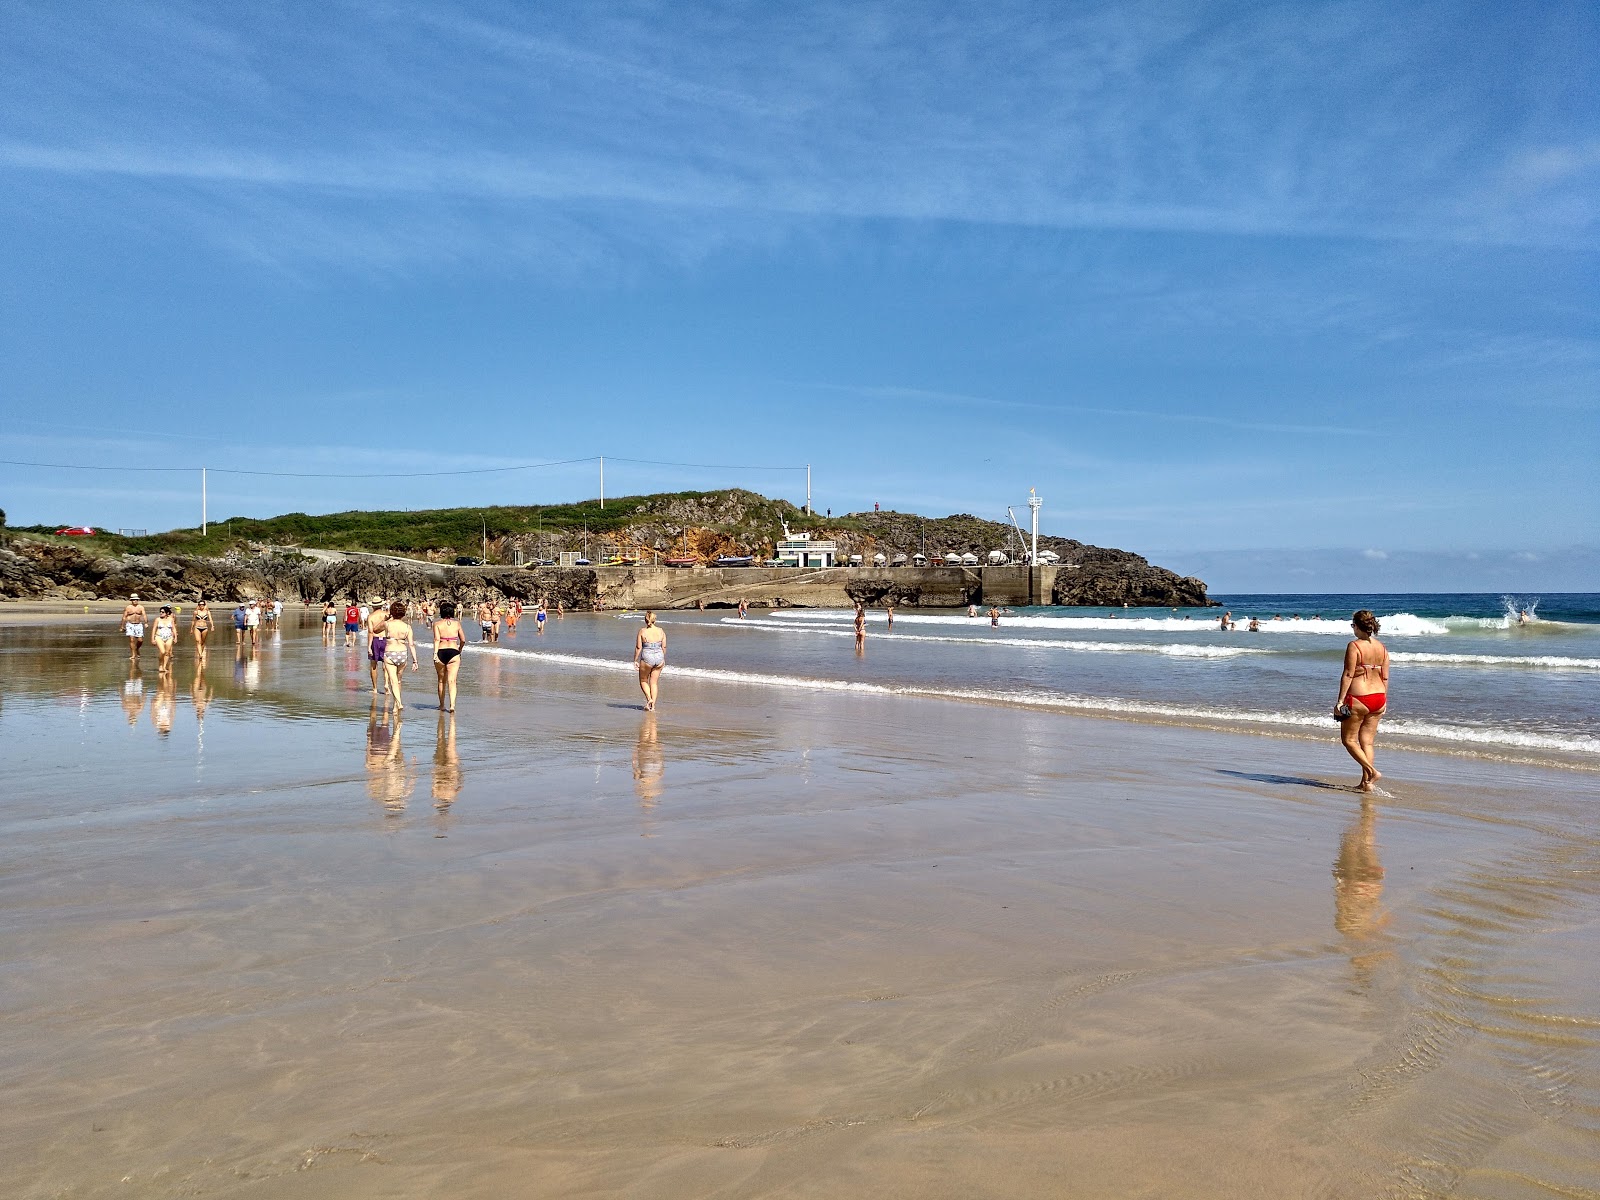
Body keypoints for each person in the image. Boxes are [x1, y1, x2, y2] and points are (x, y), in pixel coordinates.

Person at [1335, 610, 1390, 793]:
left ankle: (1372, 771)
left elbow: (1349, 674)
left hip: (1360, 697)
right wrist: (1384, 701)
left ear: (1358, 626)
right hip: (1379, 698)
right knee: (1367, 742)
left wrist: (1340, 701)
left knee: (1349, 740)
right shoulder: (1382, 647)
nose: (1353, 629)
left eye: (1353, 626)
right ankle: (1366, 784)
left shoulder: (1354, 646)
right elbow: (1385, 677)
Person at [380, 601, 419, 711]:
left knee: (393, 680)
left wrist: (387, 618)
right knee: (398, 681)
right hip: (402, 653)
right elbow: (411, 644)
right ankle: (395, 707)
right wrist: (415, 661)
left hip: (390, 652)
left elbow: (375, 629)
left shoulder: (387, 624)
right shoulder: (407, 627)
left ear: (392, 612)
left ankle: (399, 702)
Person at [432, 600, 466, 712]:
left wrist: (435, 654)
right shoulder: (457, 624)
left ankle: (441, 705)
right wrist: (459, 650)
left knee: (441, 681)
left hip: (441, 651)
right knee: (452, 681)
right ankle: (452, 706)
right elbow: (463, 640)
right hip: (453, 652)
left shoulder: (437, 624)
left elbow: (437, 639)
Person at [634, 610, 666, 712]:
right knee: (654, 682)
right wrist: (661, 657)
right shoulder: (661, 631)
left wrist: (635, 660)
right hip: (659, 656)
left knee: (643, 680)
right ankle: (653, 706)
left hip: (647, 656)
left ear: (645, 620)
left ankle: (649, 699)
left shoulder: (642, 631)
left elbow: (639, 647)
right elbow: (664, 646)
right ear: (654, 620)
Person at [366, 598, 390, 694]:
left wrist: (368, 647)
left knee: (373, 664)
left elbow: (370, 632)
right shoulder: (386, 615)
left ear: (372, 606)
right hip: (385, 639)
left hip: (375, 640)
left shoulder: (371, 617)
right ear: (381, 605)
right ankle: (386, 685)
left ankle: (375, 688)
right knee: (386, 664)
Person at [152, 605, 178, 674]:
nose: (161, 613)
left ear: (167, 613)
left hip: (169, 637)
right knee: (162, 652)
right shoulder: (157, 619)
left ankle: (164, 666)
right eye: (160, 612)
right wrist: (152, 639)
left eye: (163, 612)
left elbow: (173, 628)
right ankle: (160, 664)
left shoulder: (171, 619)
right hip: (159, 636)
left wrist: (175, 637)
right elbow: (154, 629)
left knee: (167, 653)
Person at [121, 593, 147, 660]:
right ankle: (133, 654)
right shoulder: (128, 607)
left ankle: (137, 649)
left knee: (140, 640)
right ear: (131, 600)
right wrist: (122, 626)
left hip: (138, 624)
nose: (135, 601)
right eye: (133, 600)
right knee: (132, 640)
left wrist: (146, 623)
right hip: (130, 624)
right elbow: (124, 617)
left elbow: (144, 615)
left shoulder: (141, 607)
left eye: (136, 600)